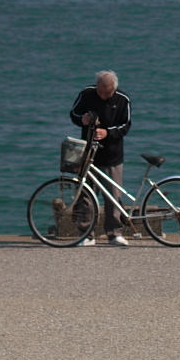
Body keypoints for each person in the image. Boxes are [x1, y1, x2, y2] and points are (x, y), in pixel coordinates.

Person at [69, 70, 132, 246]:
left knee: (113, 196)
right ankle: (87, 234)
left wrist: (107, 133)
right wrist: (82, 120)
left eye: (108, 92)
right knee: (86, 195)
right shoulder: (87, 93)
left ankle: (114, 234)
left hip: (112, 154)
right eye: (100, 92)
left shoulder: (122, 99)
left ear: (114, 88)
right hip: (88, 153)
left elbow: (126, 125)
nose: (103, 96)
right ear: (96, 87)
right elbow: (73, 113)